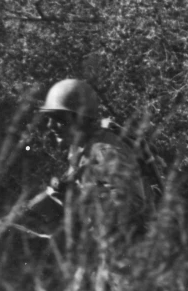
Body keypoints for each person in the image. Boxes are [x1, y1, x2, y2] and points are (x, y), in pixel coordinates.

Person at [35, 78, 151, 232]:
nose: (50, 126)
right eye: (48, 119)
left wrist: (79, 203)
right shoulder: (80, 148)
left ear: (80, 119)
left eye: (58, 119)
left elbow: (132, 205)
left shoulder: (105, 150)